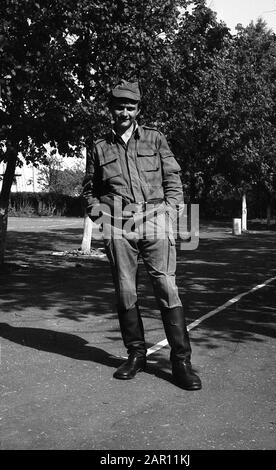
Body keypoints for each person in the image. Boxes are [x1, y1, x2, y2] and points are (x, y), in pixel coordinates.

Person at [82, 79, 201, 391]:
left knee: (166, 286)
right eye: (119, 105)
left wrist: (171, 210)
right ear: (111, 108)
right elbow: (89, 190)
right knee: (125, 289)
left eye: (130, 106)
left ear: (138, 109)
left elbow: (172, 176)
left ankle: (181, 361)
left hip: (155, 220)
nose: (125, 111)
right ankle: (136, 355)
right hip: (118, 223)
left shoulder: (155, 139)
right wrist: (99, 215)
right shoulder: (99, 147)